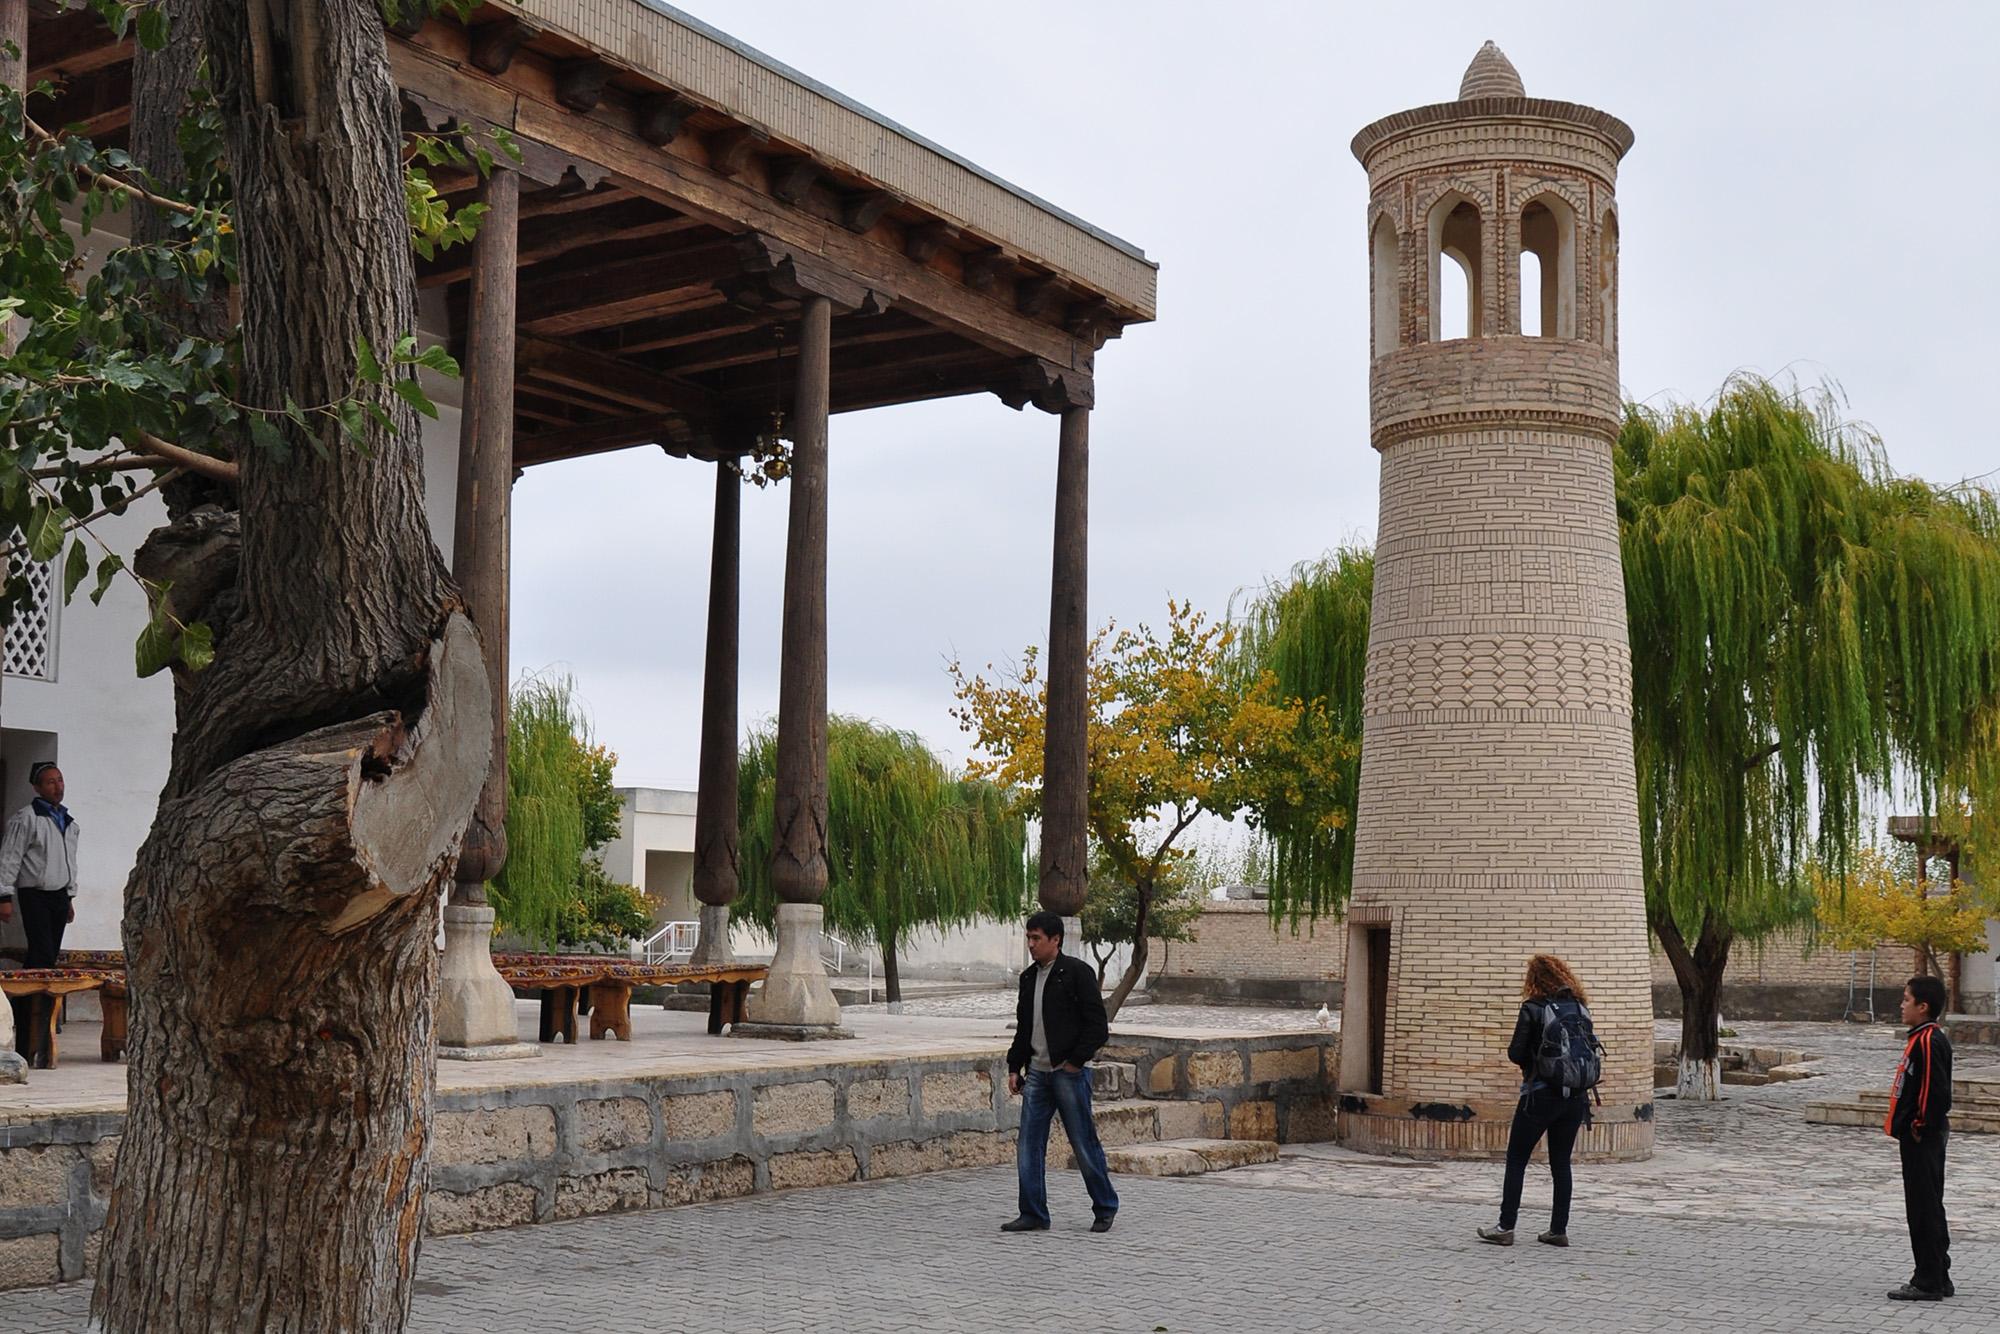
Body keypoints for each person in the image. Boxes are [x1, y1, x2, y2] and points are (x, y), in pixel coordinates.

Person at [1001, 911, 1119, 1234]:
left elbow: (1098, 1027)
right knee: (1028, 1144)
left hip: (1068, 1073)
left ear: (1055, 940)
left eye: (1037, 938)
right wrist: (1015, 1066)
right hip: (1037, 1074)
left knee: (1083, 1143)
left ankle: (1105, 1206)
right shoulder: (1028, 978)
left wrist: (1075, 1062)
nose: (1031, 945)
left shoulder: (1077, 973)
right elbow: (1024, 1028)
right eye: (1028, 938)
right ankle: (1033, 1212)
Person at [1478, 953, 1599, 1248]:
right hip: (1575, 1097)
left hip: (1539, 1095)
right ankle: (1558, 1230)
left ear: (1534, 980)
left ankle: (1505, 1227)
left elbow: (1515, 1053)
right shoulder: (1580, 1008)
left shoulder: (1532, 1009)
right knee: (1561, 1163)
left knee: (1517, 1159)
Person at [1886, 973, 1953, 1301]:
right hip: (1919, 1136)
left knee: (1924, 1207)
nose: (1901, 1005)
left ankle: (1927, 1279)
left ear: (1923, 1006)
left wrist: (1919, 1124)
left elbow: (1934, 1091)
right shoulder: (1921, 1037)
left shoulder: (1928, 1040)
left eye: (1906, 1000)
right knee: (1930, 1204)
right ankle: (1940, 1272)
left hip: (1922, 1137)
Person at [0, 762, 80, 968]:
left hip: (59, 895)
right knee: (42, 952)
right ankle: (32, 999)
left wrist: (69, 896)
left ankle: (32, 1000)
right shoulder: (27, 818)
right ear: (37, 788)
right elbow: (10, 856)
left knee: (49, 954)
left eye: (60, 780)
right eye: (50, 782)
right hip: (35, 895)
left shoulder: (69, 823)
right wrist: (4, 896)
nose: (58, 787)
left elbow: (69, 861)